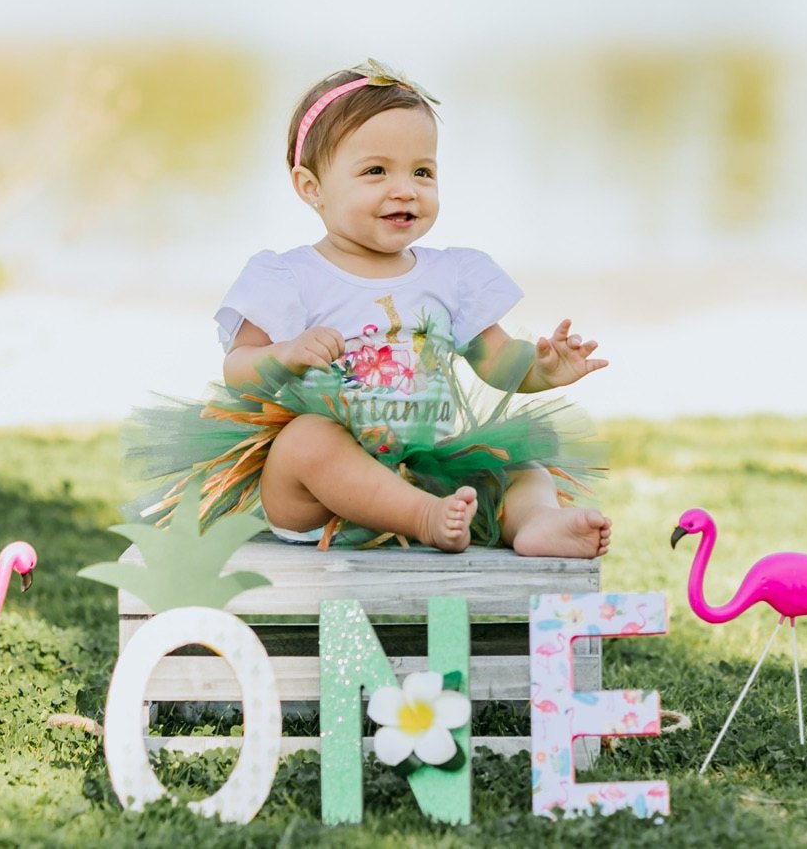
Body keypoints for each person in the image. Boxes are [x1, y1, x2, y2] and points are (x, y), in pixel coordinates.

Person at [127, 61, 611, 558]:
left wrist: (540, 367)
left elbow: (496, 361)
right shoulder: (289, 278)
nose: (405, 189)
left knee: (517, 465)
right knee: (306, 440)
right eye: (376, 171)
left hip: (423, 471)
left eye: (422, 172)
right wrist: (285, 354)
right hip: (318, 498)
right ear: (310, 187)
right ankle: (422, 518)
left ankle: (537, 523)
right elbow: (238, 373)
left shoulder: (453, 275)